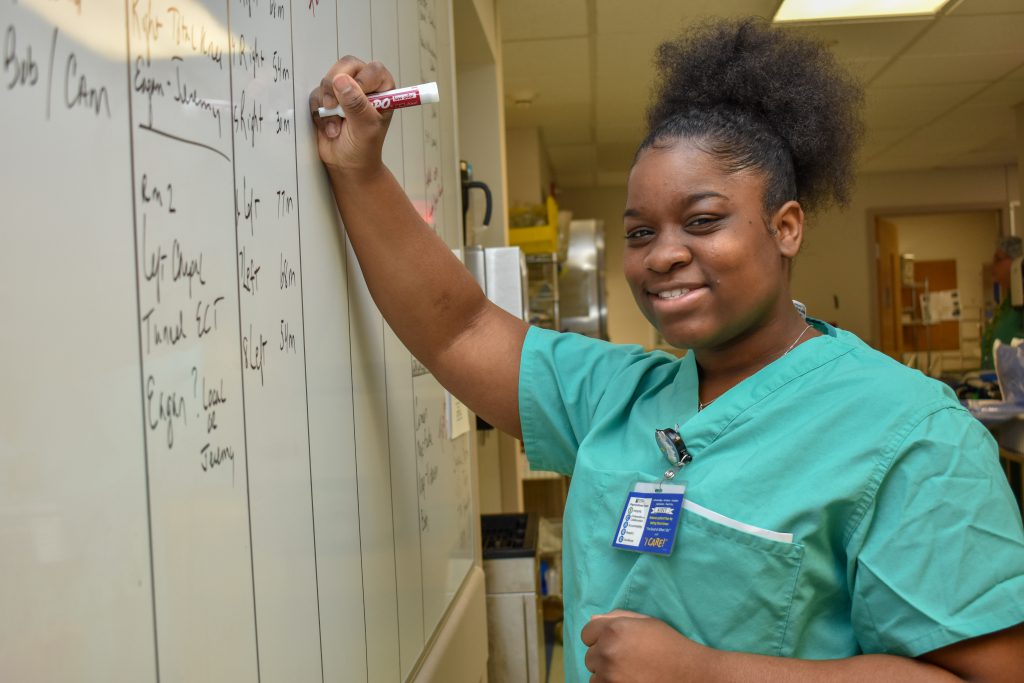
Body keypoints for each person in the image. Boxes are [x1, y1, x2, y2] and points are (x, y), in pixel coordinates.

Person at [309, 17, 1024, 683]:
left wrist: (704, 671)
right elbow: (456, 327)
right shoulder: (616, 397)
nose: (664, 256)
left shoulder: (910, 435)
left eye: (703, 220)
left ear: (787, 228)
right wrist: (359, 170)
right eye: (642, 232)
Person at [981, 235, 1024, 369]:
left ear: (1017, 261)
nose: (993, 266)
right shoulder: (1008, 302)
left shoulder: (1020, 302)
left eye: (998, 259)